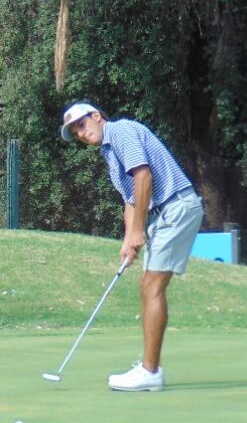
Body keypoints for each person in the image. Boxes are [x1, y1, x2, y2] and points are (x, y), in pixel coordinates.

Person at [60, 102, 204, 391]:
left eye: (82, 125)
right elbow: (132, 199)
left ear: (97, 117)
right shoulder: (109, 154)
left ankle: (151, 372)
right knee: (148, 286)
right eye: (75, 132)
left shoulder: (121, 131)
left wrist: (139, 229)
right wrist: (129, 239)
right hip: (167, 212)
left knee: (151, 287)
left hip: (177, 206)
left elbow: (144, 177)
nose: (81, 133)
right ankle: (150, 369)